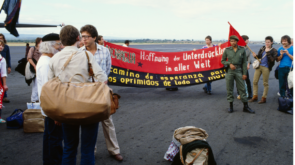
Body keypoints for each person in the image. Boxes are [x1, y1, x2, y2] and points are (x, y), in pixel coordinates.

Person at [48, 25, 107, 165]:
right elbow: (102, 78)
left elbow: (51, 89)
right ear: (77, 38)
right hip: (88, 106)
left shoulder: (54, 59)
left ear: (61, 40)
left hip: (66, 107)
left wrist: (56, 114)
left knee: (69, 148)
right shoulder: (86, 55)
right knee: (87, 149)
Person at [80, 25, 123, 162]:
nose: (84, 39)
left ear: (94, 37)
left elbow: (107, 69)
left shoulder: (104, 51)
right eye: (82, 36)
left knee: (108, 121)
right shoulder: (79, 53)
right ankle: (91, 151)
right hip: (86, 92)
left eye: (86, 36)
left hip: (102, 91)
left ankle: (114, 150)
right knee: (89, 123)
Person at [36, 33, 63, 165]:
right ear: (49, 45)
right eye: (58, 44)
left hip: (47, 107)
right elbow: (50, 91)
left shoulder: (44, 60)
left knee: (49, 137)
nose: (60, 47)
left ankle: (48, 161)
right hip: (51, 109)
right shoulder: (47, 64)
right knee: (55, 140)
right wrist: (56, 114)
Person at [221, 35, 254, 113]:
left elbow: (244, 62)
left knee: (242, 88)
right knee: (230, 88)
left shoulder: (242, 50)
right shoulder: (227, 50)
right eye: (231, 41)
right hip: (230, 71)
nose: (233, 42)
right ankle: (231, 106)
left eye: (234, 41)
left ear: (237, 41)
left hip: (239, 70)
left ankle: (246, 106)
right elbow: (223, 61)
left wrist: (244, 73)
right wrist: (229, 63)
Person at [248, 36, 277, 103]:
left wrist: (268, 53)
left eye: (268, 42)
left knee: (265, 83)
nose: (267, 43)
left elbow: (272, 60)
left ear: (271, 42)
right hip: (259, 66)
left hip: (266, 68)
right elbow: (259, 57)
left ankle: (264, 98)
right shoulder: (262, 48)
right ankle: (255, 96)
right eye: (266, 42)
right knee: (255, 81)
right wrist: (255, 56)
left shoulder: (274, 50)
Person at [236, 35, 253, 100]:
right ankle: (239, 93)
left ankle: (249, 94)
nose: (248, 40)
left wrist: (248, 64)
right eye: (247, 39)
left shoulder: (247, 48)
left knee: (247, 79)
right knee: (238, 80)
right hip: (238, 66)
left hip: (244, 66)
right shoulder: (238, 48)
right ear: (243, 40)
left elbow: (248, 57)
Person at [27, 37, 42, 102]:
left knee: (41, 84)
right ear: (38, 42)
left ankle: (38, 98)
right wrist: (34, 66)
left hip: (41, 68)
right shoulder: (32, 49)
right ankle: (34, 99)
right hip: (35, 69)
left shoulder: (43, 50)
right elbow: (29, 58)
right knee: (36, 84)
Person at [0, 34, 11, 103]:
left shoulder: (6, 47)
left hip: (2, 66)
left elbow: (8, 57)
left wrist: (9, 66)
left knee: (3, 80)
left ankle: (4, 96)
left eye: (1, 38)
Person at [0, 40, 9, 123]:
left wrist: (5, 84)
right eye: (0, 45)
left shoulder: (2, 60)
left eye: (2, 45)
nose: (1, 47)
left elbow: (3, 73)